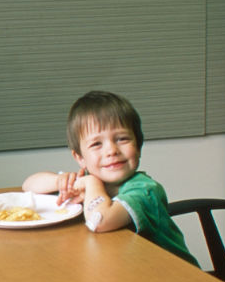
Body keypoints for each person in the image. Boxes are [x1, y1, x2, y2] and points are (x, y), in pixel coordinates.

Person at [22, 91, 198, 266]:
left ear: (138, 146)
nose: (111, 150)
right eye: (96, 144)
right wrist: (59, 181)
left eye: (122, 139)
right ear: (80, 158)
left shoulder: (144, 190)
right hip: (130, 270)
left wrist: (91, 184)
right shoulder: (87, 178)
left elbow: (99, 220)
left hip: (174, 280)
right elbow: (29, 185)